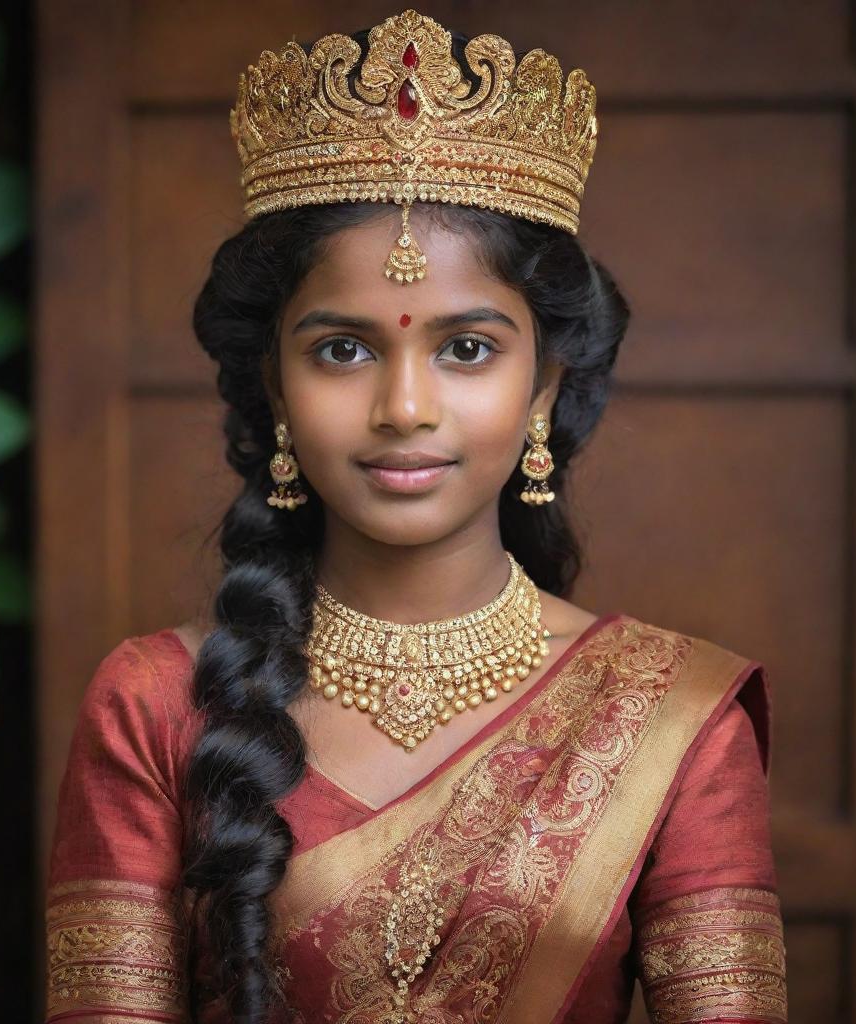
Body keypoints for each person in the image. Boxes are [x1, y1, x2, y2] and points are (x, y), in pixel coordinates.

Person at [43, 10, 788, 1023]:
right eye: (342, 350)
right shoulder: (152, 703)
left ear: (544, 385)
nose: (403, 408)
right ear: (271, 385)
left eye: (467, 349)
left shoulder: (676, 717)